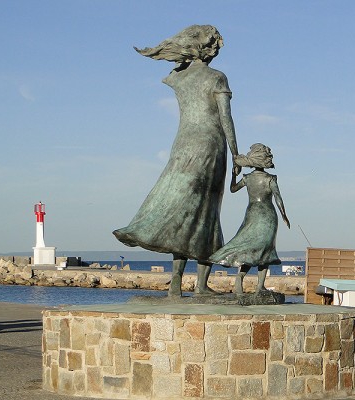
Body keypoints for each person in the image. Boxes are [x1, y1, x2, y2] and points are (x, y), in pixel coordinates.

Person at [113, 25, 239, 296]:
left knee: (182, 212)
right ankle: (202, 286)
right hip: (209, 144)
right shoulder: (217, 77)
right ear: (209, 48)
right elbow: (225, 118)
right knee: (206, 213)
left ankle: (176, 287)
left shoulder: (178, 77)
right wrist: (236, 153)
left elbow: (177, 74)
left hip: (182, 145)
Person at [209, 143, 290, 294]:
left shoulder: (247, 178)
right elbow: (279, 199)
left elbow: (233, 189)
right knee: (265, 250)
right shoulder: (270, 179)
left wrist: (234, 175)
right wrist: (284, 215)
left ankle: (240, 276)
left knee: (248, 246)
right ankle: (260, 286)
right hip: (268, 215)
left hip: (252, 213)